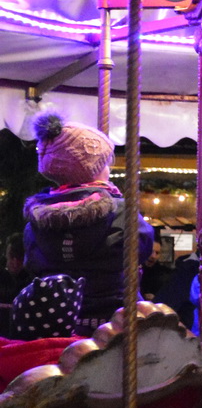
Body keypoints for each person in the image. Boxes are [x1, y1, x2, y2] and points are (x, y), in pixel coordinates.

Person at [23, 112, 154, 330]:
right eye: (105, 164)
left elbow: (32, 264)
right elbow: (143, 244)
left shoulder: (36, 220)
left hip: (61, 319)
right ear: (93, 168)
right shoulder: (119, 210)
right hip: (115, 317)